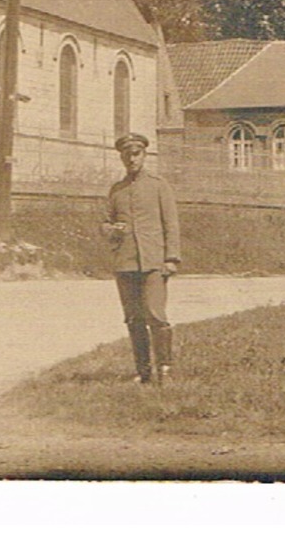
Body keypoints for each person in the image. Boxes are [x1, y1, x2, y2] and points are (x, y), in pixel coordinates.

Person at [103, 133, 180, 383]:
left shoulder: (159, 186)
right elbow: (104, 223)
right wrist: (111, 230)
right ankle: (143, 371)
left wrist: (171, 259)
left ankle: (165, 369)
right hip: (125, 263)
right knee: (133, 318)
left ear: (144, 155)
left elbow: (171, 224)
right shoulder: (116, 190)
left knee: (156, 315)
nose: (131, 159)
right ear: (122, 158)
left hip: (153, 262)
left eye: (136, 154)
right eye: (127, 155)